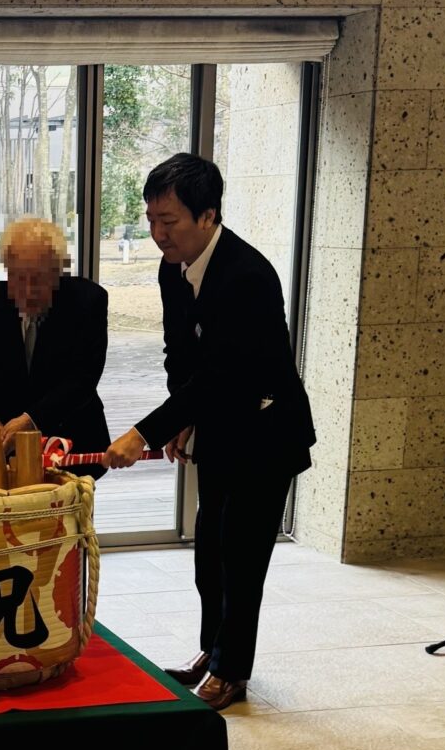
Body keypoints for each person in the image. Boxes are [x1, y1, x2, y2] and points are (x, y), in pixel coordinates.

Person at [105, 153, 316, 710]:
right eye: (151, 220)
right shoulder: (172, 269)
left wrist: (145, 432)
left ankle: (232, 670)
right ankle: (211, 650)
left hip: (267, 433)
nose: (158, 234)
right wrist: (183, 416)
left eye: (169, 221)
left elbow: (224, 372)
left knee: (242, 558)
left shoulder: (247, 276)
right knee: (210, 553)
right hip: (221, 425)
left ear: (207, 215)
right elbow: (181, 355)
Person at [0, 217, 109, 477]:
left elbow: (83, 378)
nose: (27, 290)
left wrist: (31, 419)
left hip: (73, 445)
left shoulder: (87, 301)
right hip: (8, 453)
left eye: (38, 279)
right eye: (17, 277)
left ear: (58, 272)